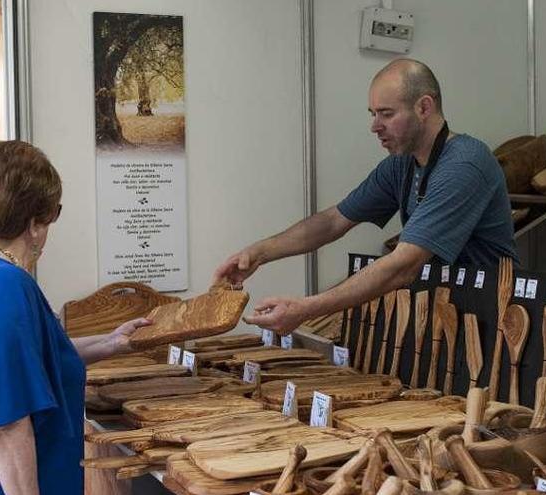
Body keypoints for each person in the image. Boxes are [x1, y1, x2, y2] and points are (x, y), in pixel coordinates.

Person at [0, 141, 150, 494]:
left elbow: (29, 358)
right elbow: (5, 423)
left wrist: (109, 342)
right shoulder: (3, 286)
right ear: (35, 223)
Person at [213, 59, 518, 334]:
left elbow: (403, 265)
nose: (375, 127)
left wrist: (305, 309)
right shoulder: (401, 165)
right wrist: (257, 253)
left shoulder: (465, 164)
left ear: (424, 108)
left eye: (387, 114)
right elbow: (334, 221)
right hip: (443, 311)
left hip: (492, 316)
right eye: (373, 114)